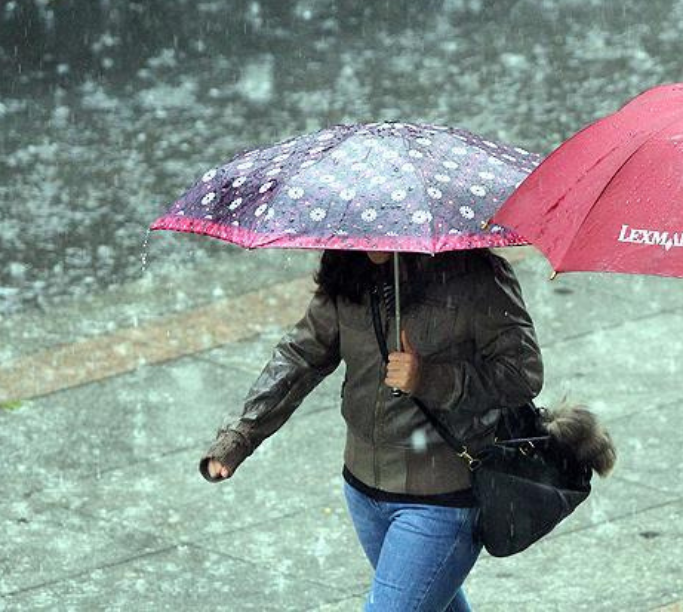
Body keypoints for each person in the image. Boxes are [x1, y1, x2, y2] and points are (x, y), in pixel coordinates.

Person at [200, 249, 543, 612]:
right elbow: (300, 358)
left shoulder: (476, 276)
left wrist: (430, 378)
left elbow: (523, 373)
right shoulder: (346, 272)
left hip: (441, 497)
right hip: (362, 489)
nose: (367, 243)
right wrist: (242, 435)